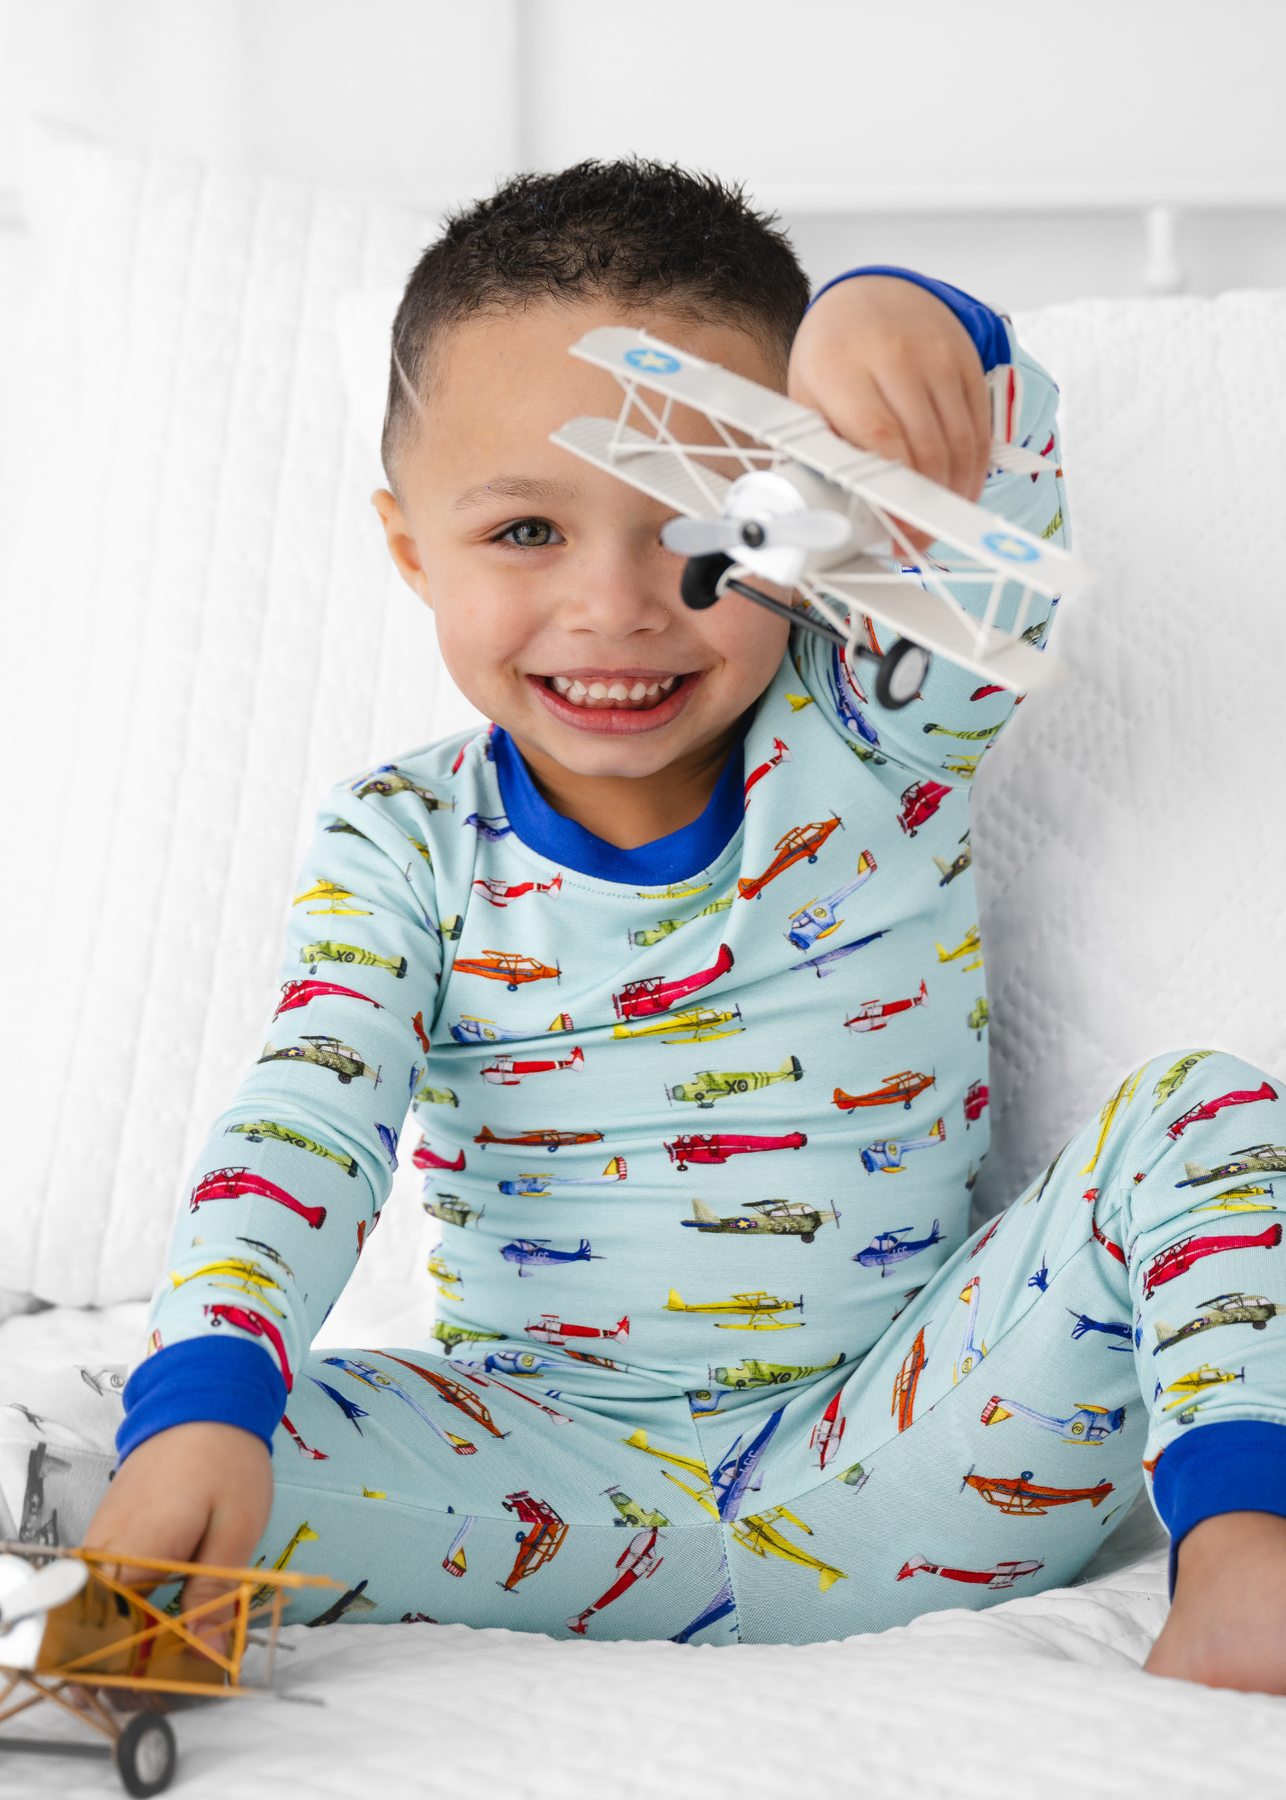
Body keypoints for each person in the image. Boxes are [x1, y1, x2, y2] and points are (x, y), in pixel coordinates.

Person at [50, 161, 1286, 1682]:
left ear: (809, 531)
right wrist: (208, 1413)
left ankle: (1245, 1569)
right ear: (411, 551)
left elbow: (989, 529)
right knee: (111, 1420)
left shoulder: (877, 729)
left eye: (707, 531)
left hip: (921, 1460)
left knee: (1203, 1115)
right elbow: (310, 1116)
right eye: (525, 532)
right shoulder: (402, 840)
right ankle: (110, 1639)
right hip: (532, 1493)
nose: (618, 603)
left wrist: (904, 321)